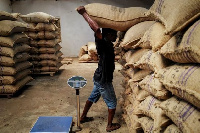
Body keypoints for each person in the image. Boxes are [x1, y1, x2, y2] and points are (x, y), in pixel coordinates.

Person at [80, 28, 121, 132]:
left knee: (92, 97)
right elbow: (97, 30)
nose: (115, 37)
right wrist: (84, 14)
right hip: (104, 80)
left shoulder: (108, 44)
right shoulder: (101, 43)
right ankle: (109, 126)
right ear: (107, 34)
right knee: (112, 102)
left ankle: (83, 117)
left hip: (98, 78)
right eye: (113, 34)